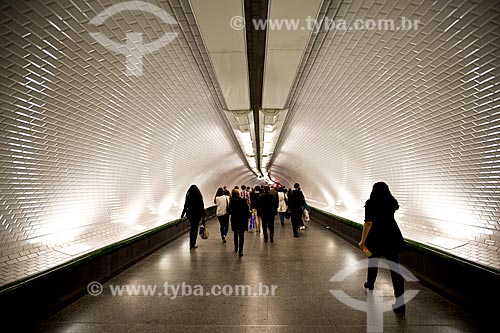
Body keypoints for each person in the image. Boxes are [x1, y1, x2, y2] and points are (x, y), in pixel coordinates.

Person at [358, 182, 407, 314]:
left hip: (375, 237)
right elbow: (394, 209)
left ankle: (370, 283)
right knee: (395, 269)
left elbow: (368, 223)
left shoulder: (370, 203)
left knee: (372, 261)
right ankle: (400, 303)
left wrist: (362, 241)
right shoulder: (391, 202)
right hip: (392, 236)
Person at [181, 185, 206, 249]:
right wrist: (204, 215)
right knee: (195, 229)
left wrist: (182, 214)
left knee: (192, 228)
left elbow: (185, 206)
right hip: (197, 215)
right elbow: (202, 206)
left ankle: (191, 242)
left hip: (190, 215)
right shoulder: (199, 196)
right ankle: (193, 243)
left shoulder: (188, 196)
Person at [229, 189, 251, 257]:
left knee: (235, 233)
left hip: (235, 219)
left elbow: (229, 210)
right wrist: (248, 216)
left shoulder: (231, 201)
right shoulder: (243, 200)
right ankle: (240, 251)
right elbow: (246, 209)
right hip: (242, 219)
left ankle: (236, 247)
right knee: (241, 235)